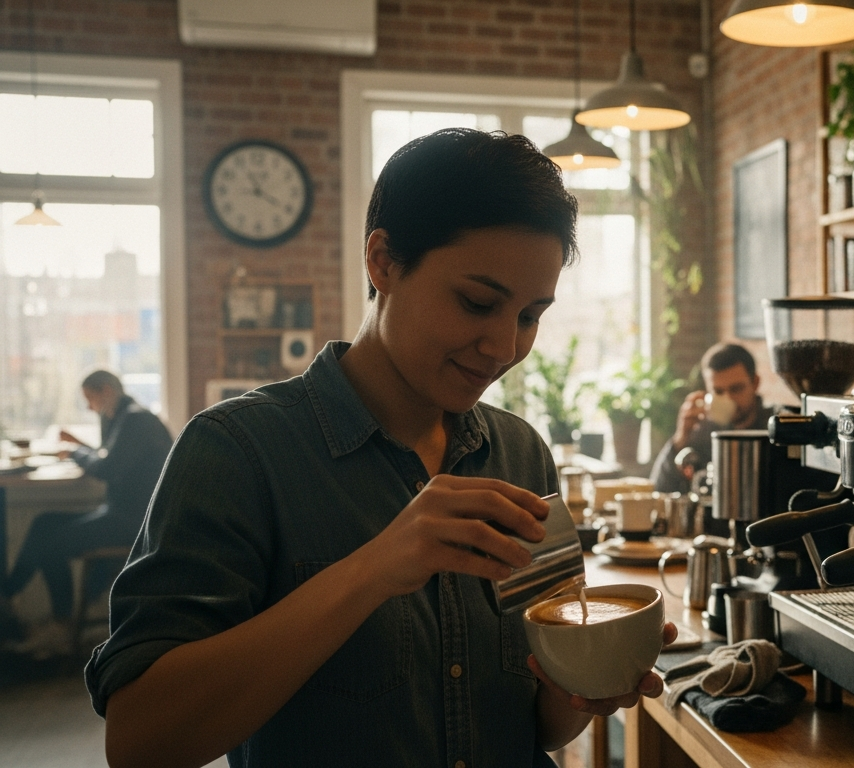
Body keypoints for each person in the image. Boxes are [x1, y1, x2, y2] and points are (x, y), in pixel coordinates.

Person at [85, 129, 674, 768]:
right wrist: (375, 567)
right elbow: (139, 740)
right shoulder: (236, 452)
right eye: (478, 302)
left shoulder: (520, 454)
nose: (505, 347)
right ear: (383, 261)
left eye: (530, 316)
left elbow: (542, 725)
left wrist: (587, 681)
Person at [0, 370, 172, 657]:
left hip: (133, 522)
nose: (90, 408)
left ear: (105, 390)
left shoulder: (135, 418)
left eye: (90, 400)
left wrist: (73, 450)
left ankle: (60, 623)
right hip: (120, 513)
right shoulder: (121, 417)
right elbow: (111, 456)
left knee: (51, 544)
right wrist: (82, 444)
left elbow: (108, 468)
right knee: (44, 522)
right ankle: (9, 593)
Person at [650, 342, 776, 494]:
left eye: (736, 389)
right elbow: (659, 491)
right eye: (718, 392)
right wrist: (681, 437)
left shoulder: (776, 427)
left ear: (755, 383)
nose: (729, 399)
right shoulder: (703, 431)